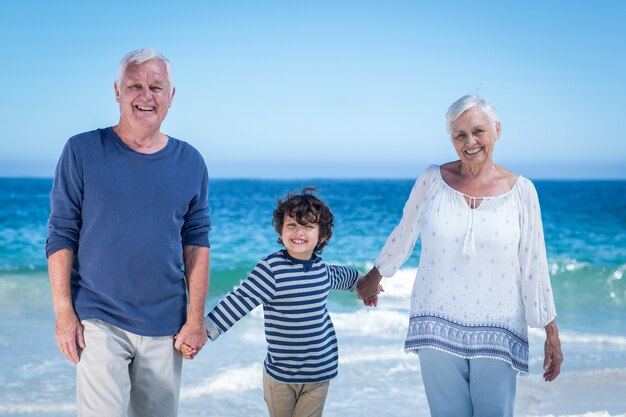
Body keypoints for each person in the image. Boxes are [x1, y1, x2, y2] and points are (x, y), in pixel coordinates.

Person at [356, 95, 563, 417]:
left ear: (497, 130)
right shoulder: (432, 179)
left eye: (478, 131)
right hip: (436, 321)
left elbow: (534, 263)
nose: (470, 142)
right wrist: (376, 274)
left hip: (498, 327)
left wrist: (551, 333)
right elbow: (405, 229)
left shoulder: (522, 191)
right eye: (459, 135)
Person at [45, 48, 211, 417]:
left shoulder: (190, 161)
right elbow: (61, 233)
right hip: (98, 316)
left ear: (171, 96)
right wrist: (63, 313)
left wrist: (195, 319)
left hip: (166, 323)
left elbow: (196, 244)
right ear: (117, 91)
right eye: (134, 85)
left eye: (156, 86)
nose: (145, 95)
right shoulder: (81, 150)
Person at [189, 188, 380, 417]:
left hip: (319, 372)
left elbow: (349, 277)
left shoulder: (322, 270)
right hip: (281, 376)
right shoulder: (272, 269)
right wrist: (203, 330)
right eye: (291, 225)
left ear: (322, 236)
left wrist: (368, 285)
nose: (299, 232)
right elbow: (240, 300)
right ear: (280, 230)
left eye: (308, 226)